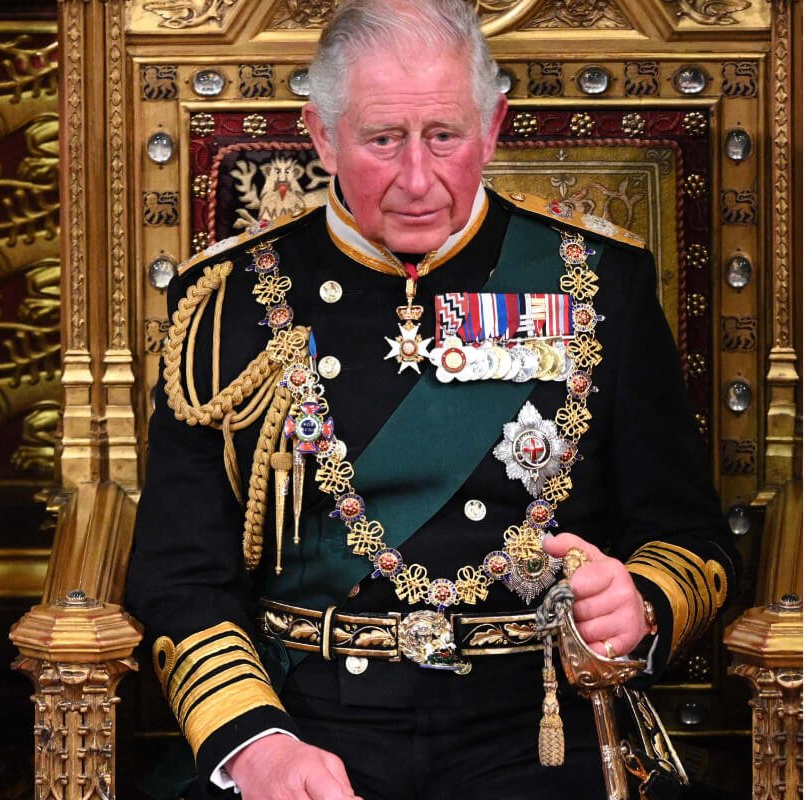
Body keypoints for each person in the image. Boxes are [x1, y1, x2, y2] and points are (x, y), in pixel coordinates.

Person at [125, 2, 737, 798]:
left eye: (445, 137)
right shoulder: (229, 302)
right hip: (309, 722)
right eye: (383, 140)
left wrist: (641, 604)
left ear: (493, 125)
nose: (418, 179)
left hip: (543, 727)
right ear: (321, 135)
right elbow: (179, 571)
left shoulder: (598, 284)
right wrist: (257, 745)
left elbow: (690, 538)